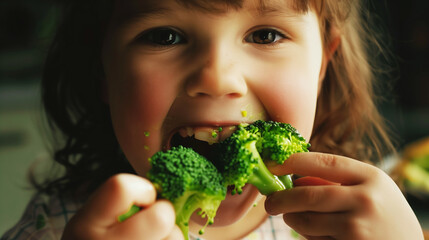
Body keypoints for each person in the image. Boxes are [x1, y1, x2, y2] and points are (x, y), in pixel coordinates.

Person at [1, 0, 425, 239]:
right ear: (103, 74)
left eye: (266, 35)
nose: (217, 77)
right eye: (165, 36)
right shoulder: (57, 226)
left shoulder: (356, 223)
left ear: (321, 68)